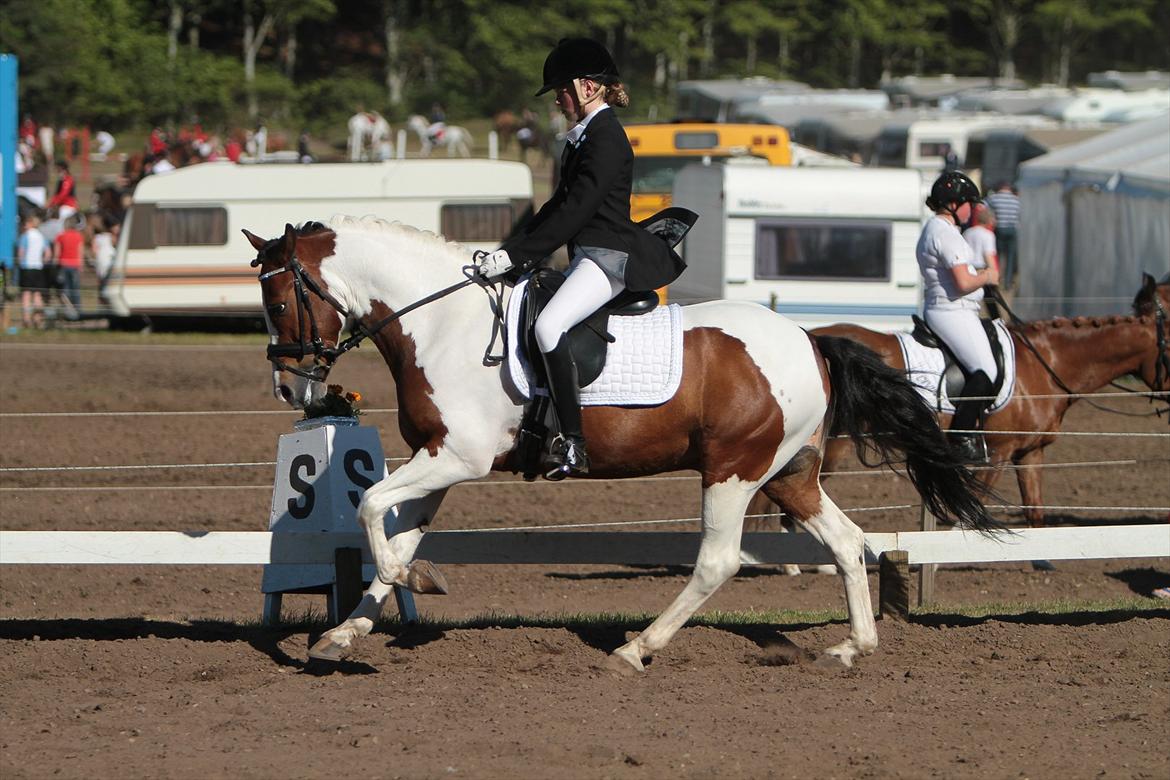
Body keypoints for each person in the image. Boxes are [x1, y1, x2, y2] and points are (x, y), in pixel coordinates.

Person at [477, 37, 686, 480]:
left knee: (549, 326)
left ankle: (573, 443)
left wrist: (517, 255)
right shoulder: (583, 138)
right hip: (589, 254)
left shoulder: (606, 139)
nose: (558, 98)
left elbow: (577, 212)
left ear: (588, 87)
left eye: (563, 90)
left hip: (607, 257)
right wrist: (507, 252)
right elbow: (555, 206)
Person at [916, 171, 1001, 463]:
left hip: (953, 309)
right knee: (986, 372)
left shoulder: (938, 230)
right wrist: (987, 275)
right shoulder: (944, 233)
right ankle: (960, 438)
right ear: (953, 204)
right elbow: (964, 283)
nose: (972, 210)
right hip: (951, 310)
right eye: (968, 203)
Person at [985, 181, 1021, 290]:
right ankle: (1008, 282)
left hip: (999, 229)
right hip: (1012, 229)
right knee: (1010, 257)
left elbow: (983, 205)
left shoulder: (994, 198)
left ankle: (998, 278)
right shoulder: (1016, 200)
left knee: (997, 256)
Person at [17, 213, 50, 330]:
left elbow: (21, 253)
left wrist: (20, 264)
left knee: (26, 294)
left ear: (31, 223)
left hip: (27, 268)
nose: (25, 225)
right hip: (38, 268)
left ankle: (26, 319)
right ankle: (38, 319)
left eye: (26, 223)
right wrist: (42, 262)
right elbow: (47, 254)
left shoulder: (25, 236)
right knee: (37, 294)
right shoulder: (42, 237)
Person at [52, 215, 85, 319]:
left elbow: (57, 253)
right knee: (75, 289)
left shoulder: (60, 236)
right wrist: (81, 265)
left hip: (63, 265)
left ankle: (68, 312)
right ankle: (78, 311)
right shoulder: (78, 236)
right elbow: (80, 252)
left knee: (65, 289)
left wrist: (54, 265)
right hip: (75, 265)